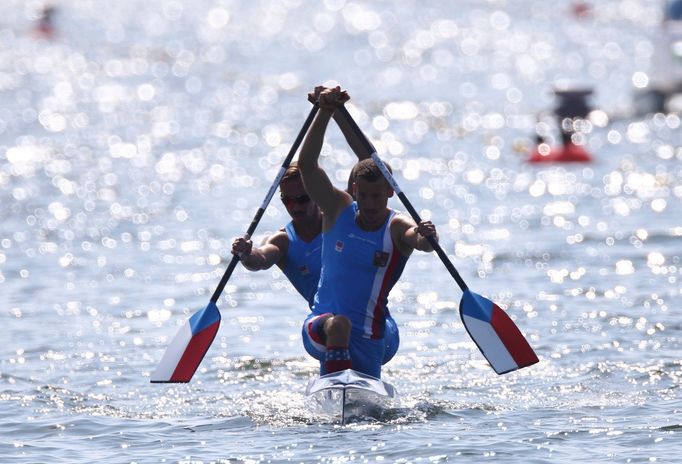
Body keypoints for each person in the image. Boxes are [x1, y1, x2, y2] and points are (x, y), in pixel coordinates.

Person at [297, 87, 438, 378]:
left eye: (378, 196)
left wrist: (427, 237)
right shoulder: (337, 209)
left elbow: (420, 242)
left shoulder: (397, 226)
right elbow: (308, 166)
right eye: (364, 196)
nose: (371, 204)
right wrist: (324, 112)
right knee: (339, 325)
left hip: (374, 335)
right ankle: (334, 384)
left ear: (389, 191)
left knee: (355, 336)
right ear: (354, 192)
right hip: (321, 328)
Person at [231, 86, 371, 308]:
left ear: (316, 194)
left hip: (368, 317)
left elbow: (370, 164)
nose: (294, 206)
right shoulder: (283, 242)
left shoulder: (342, 212)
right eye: (287, 200)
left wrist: (337, 112)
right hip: (324, 322)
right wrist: (246, 254)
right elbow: (260, 259)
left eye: (303, 199)